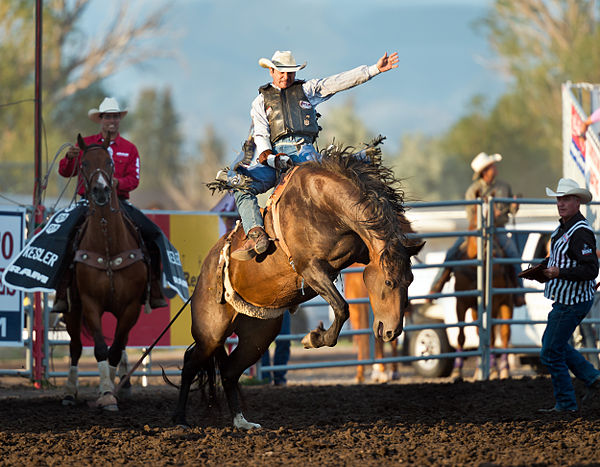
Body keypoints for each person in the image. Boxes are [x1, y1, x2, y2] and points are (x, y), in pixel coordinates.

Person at [229, 49, 399, 261]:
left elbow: (337, 82)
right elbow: (261, 135)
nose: (285, 77)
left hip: (304, 151)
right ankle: (256, 233)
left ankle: (356, 166)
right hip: (276, 159)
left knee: (336, 177)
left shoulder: (307, 90)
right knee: (240, 182)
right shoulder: (260, 101)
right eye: (281, 72)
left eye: (290, 73)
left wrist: (373, 70)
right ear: (271, 71)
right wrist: (273, 158)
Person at [52, 96, 167, 312]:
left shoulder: (129, 148)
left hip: (119, 203)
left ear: (119, 119)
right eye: (107, 116)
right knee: (64, 236)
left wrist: (116, 183)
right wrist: (68, 157)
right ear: (100, 119)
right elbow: (66, 172)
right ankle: (61, 293)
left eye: (115, 116)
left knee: (152, 234)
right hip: (88, 203)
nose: (111, 120)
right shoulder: (84, 144)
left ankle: (154, 288)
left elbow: (134, 180)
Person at [530, 178, 600, 413]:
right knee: (555, 347)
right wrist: (542, 267)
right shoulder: (566, 227)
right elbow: (564, 259)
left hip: (573, 301)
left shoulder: (579, 232)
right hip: (569, 300)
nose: (561, 203)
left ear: (577, 202)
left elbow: (591, 269)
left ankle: (567, 403)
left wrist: (559, 271)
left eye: (566, 199)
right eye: (559, 199)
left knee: (550, 351)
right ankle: (591, 377)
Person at [429, 152, 525, 306]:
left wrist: (514, 206)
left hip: (498, 229)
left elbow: (511, 211)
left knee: (513, 254)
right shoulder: (473, 190)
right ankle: (436, 286)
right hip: (476, 230)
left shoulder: (504, 187)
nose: (495, 168)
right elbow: (471, 215)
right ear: (485, 171)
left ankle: (519, 292)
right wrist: (488, 214)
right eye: (492, 166)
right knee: (452, 252)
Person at [260, 310, 291, 386]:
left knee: (284, 339)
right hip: (262, 303)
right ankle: (265, 378)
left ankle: (279, 377)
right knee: (261, 342)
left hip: (282, 303)